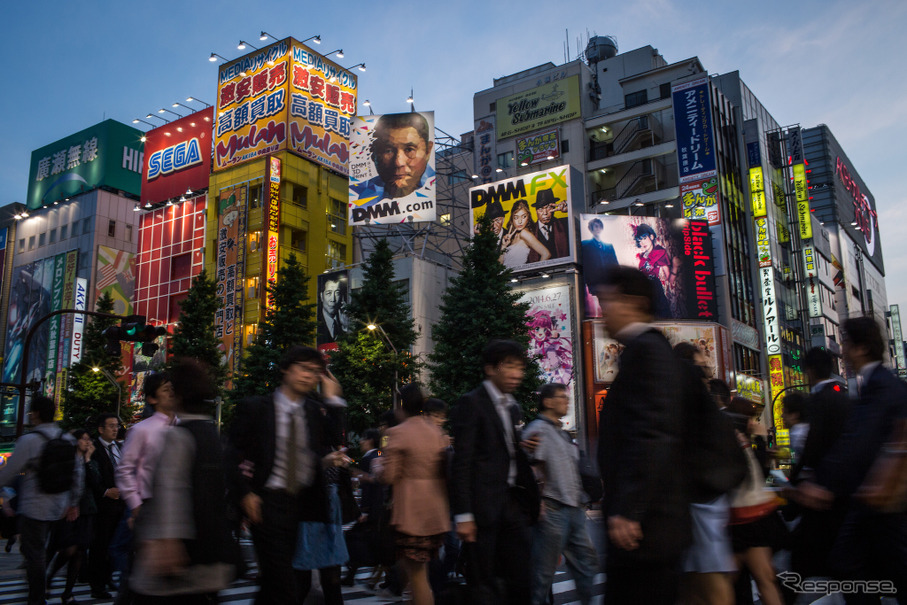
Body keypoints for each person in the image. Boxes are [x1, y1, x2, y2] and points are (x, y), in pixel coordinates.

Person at [794, 317, 907, 603]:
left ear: (861, 348)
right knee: (860, 565)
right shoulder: (873, 385)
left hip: (880, 496)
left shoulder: (880, 387)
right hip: (870, 496)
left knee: (858, 565)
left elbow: (858, 441)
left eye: (845, 343)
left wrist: (823, 484)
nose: (841, 350)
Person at [595, 266, 689, 604]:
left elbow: (653, 433)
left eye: (606, 301)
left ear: (633, 302)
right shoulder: (645, 350)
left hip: (646, 529)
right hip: (645, 525)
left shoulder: (647, 351)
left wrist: (630, 510)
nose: (601, 311)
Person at [227, 346, 349, 605]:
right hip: (266, 503)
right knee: (284, 584)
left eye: (315, 372)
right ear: (285, 368)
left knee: (279, 583)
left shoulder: (314, 411)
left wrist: (334, 400)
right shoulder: (257, 408)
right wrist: (245, 494)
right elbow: (230, 455)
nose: (309, 376)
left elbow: (333, 438)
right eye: (303, 368)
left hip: (302, 505)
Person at [130, 358, 237, 603]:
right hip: (209, 548)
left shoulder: (178, 436)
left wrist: (168, 539)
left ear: (178, 395)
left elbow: (171, 488)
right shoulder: (213, 435)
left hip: (177, 554)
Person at [450, 339, 540, 605]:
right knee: (484, 584)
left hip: (512, 504)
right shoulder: (472, 403)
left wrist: (524, 448)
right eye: (510, 366)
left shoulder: (513, 407)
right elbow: (462, 462)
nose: (517, 374)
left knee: (521, 578)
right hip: (482, 510)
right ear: (490, 369)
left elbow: (505, 453)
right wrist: (464, 515)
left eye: (520, 367)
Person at [0, 396, 81, 605]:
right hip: (60, 507)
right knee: (45, 551)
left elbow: (8, 472)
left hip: (35, 507)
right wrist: (73, 502)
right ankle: (44, 590)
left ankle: (37, 598)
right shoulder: (68, 439)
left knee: (34, 555)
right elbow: (77, 474)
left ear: (35, 413)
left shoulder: (29, 440)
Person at [523, 383, 598, 605]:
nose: (567, 401)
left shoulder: (562, 434)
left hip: (574, 509)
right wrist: (539, 501)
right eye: (561, 397)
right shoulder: (537, 430)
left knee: (586, 565)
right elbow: (531, 467)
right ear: (547, 402)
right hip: (553, 510)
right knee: (542, 575)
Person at [782, 347, 850, 595]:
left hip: (818, 494)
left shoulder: (818, 402)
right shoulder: (845, 398)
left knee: (801, 561)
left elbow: (811, 449)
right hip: (843, 493)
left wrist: (794, 486)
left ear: (809, 371)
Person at [377, 384, 451, 605]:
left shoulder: (397, 433)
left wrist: (378, 469)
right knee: (419, 574)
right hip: (435, 511)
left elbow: (389, 476)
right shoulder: (436, 432)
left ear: (401, 405)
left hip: (411, 512)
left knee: (417, 577)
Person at [114, 371, 177, 604]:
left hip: (176, 510)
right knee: (141, 573)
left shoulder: (184, 427)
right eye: (165, 389)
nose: (171, 392)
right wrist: (136, 505)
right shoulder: (142, 430)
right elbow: (124, 469)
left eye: (173, 388)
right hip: (148, 508)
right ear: (152, 398)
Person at [46, 429, 100, 605]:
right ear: (75, 441)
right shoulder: (68, 459)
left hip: (85, 510)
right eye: (83, 439)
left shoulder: (88, 460)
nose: (87, 442)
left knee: (79, 552)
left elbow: (94, 482)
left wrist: (88, 459)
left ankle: (67, 593)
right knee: (67, 548)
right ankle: (48, 578)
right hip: (66, 509)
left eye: (88, 439)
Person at [90, 412, 127, 599]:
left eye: (117, 425)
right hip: (103, 505)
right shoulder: (94, 449)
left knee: (114, 544)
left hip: (120, 503)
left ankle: (107, 578)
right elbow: (90, 476)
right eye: (111, 426)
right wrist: (105, 491)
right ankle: (97, 585)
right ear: (101, 429)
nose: (115, 429)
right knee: (101, 546)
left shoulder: (118, 447)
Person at [368, 112, 434, 200]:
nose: (398, 163)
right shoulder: (358, 196)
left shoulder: (435, 187)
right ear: (373, 154)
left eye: (409, 150)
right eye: (388, 151)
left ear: (428, 151)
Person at [633, 222, 679, 318]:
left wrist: (675, 266)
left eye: (644, 238)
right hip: (642, 290)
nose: (642, 243)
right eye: (640, 240)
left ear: (652, 236)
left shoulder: (659, 252)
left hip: (654, 289)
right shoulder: (642, 256)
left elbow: (670, 279)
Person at [499, 199, 550, 267]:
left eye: (524, 217)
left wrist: (535, 272)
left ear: (528, 218)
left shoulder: (524, 233)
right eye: (516, 217)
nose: (520, 221)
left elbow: (546, 254)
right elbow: (499, 264)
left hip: (518, 276)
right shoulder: (513, 236)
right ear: (512, 219)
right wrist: (503, 246)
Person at [581, 217, 618, 309]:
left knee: (613, 304)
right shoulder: (585, 245)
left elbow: (615, 264)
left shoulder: (609, 246)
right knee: (604, 305)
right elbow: (585, 265)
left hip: (610, 281)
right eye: (595, 227)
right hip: (596, 282)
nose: (597, 229)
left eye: (599, 227)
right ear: (591, 229)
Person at [526, 188, 570, 262]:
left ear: (554, 208)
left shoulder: (564, 224)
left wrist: (568, 207)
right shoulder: (530, 231)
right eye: (540, 209)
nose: (545, 213)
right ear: (536, 211)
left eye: (549, 208)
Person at [781, 391, 809, 466]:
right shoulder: (805, 429)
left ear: (795, 415)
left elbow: (794, 460)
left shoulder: (796, 435)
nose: (782, 416)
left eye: (785, 412)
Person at [318, 275, 348, 345]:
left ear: (342, 297)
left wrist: (346, 327)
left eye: (337, 293)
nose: (333, 299)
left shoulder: (344, 320)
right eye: (328, 293)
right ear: (322, 296)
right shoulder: (317, 322)